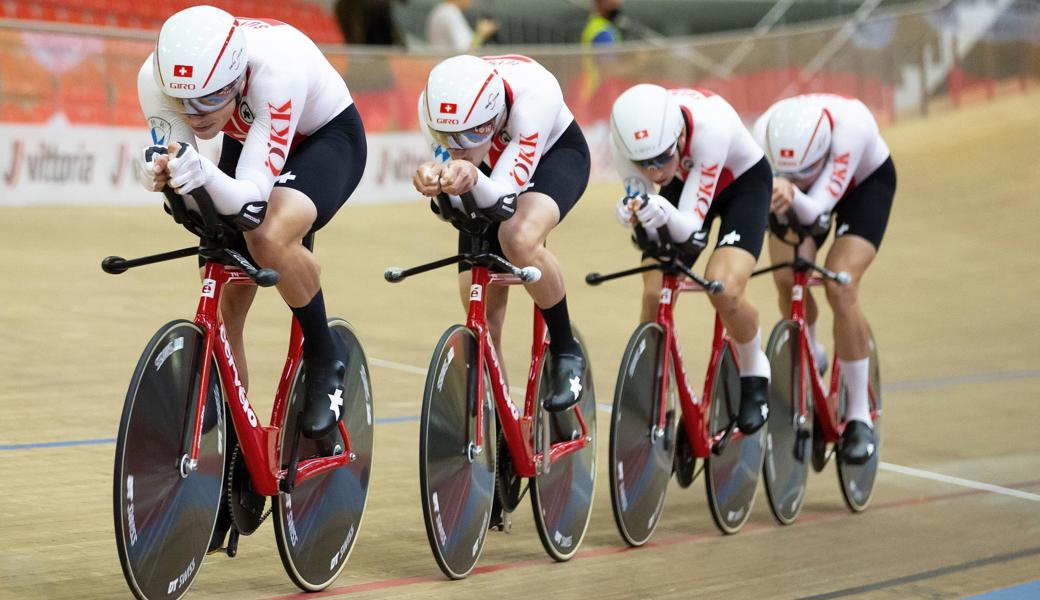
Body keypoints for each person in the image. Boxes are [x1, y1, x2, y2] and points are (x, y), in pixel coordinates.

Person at [135, 6, 367, 443]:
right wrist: (163, 175)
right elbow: (184, 159)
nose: (196, 114)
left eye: (208, 99)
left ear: (238, 78)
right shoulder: (155, 78)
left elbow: (252, 200)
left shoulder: (275, 73)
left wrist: (203, 177)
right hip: (248, 136)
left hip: (324, 139)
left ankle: (324, 354)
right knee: (225, 284)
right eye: (183, 102)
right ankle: (236, 437)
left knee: (267, 235)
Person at [412, 54, 590, 412]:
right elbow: (460, 198)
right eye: (447, 136)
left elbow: (504, 200)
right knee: (480, 311)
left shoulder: (534, 98)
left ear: (494, 120)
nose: (456, 146)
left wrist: (472, 176)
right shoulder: (434, 106)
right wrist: (435, 183)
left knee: (518, 237)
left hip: (553, 156)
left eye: (468, 135)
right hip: (492, 166)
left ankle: (566, 349)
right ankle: (501, 424)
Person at [610, 84, 772, 435]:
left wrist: (659, 210)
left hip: (741, 187)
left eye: (662, 158)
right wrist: (634, 211)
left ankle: (753, 366)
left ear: (679, 134)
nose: (654, 173)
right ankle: (654, 388)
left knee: (724, 289)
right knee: (654, 291)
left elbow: (689, 229)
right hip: (685, 184)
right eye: (643, 164)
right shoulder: (627, 141)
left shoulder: (709, 130)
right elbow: (651, 214)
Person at [752, 94, 895, 464]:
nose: (800, 179)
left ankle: (859, 415)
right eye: (792, 172)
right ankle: (811, 350)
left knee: (839, 285)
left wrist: (790, 188)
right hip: (789, 193)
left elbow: (816, 210)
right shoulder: (761, 132)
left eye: (806, 171)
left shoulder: (853, 127)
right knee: (787, 276)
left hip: (861, 187)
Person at [426, 0, 497, 52]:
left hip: (440, 63)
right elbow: (465, 50)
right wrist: (481, 33)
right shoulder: (451, 12)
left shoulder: (440, 10)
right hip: (450, 67)